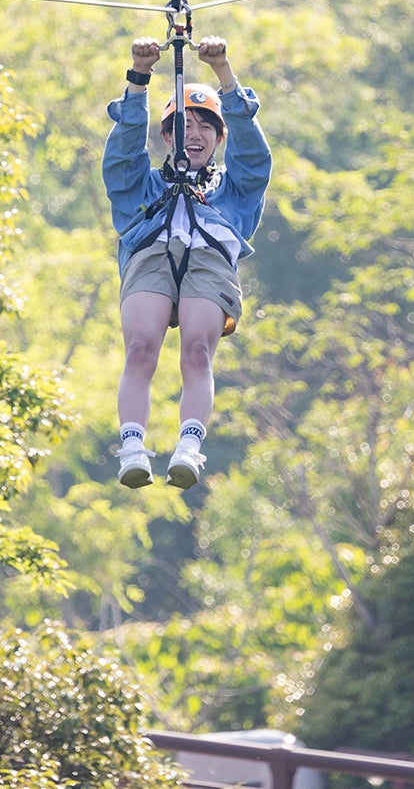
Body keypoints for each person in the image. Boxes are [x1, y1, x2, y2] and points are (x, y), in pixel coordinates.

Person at [103, 35, 271, 489]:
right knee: (140, 348)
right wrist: (139, 77)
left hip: (209, 258)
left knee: (198, 349)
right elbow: (121, 157)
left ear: (219, 138)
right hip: (152, 251)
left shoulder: (231, 192)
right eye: (183, 126)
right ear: (165, 136)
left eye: (204, 128)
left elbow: (253, 160)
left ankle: (189, 445)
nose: (192, 135)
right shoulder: (144, 190)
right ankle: (133, 446)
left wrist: (224, 73)